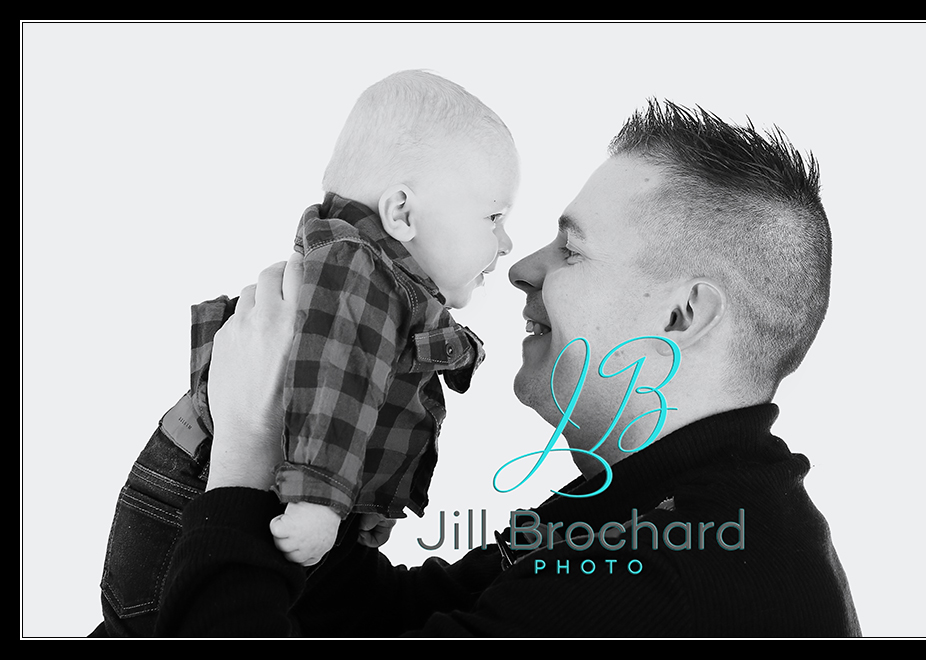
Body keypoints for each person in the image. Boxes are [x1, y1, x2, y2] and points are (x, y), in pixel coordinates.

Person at [151, 99, 861, 637]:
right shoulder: (648, 509)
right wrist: (310, 435)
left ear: (681, 317)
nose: (521, 269)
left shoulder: (672, 577)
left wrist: (245, 456)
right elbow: (388, 618)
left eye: (572, 251)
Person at [93, 70, 519, 636]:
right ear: (402, 213)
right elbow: (335, 385)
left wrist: (360, 507)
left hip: (245, 505)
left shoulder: (384, 286)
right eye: (494, 217)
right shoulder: (357, 271)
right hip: (196, 512)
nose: (507, 243)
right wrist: (320, 499)